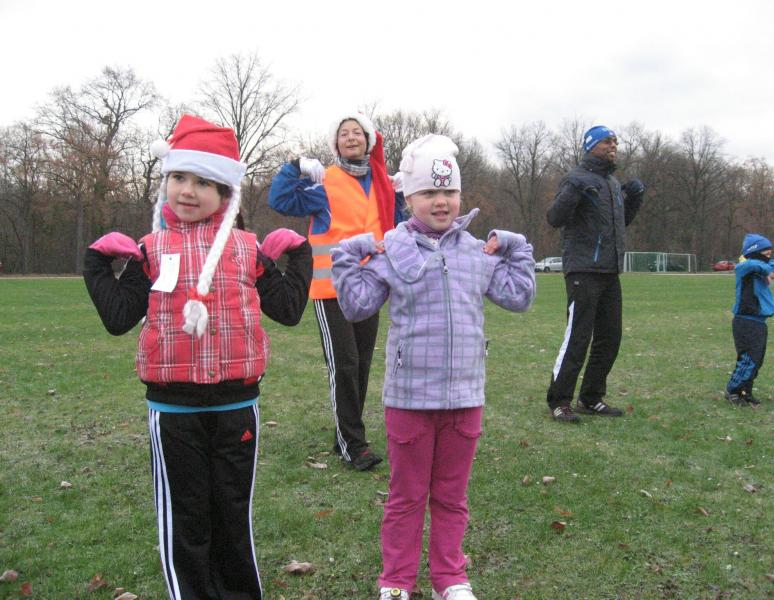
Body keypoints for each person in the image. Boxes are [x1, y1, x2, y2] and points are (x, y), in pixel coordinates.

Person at [83, 114, 312, 600]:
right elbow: (119, 317)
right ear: (165, 182)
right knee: (186, 517)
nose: (188, 190)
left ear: (225, 193)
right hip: (175, 412)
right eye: (179, 178)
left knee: (231, 515)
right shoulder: (150, 250)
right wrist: (97, 264)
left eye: (203, 182)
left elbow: (289, 310)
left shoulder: (246, 249)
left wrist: (299, 256)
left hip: (236, 409)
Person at [331, 134, 535, 600]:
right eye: (428, 192)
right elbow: (356, 305)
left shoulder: (476, 252)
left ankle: (451, 578)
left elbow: (520, 296)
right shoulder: (392, 249)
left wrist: (517, 246)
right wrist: (349, 254)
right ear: (408, 197)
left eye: (449, 192)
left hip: (465, 397)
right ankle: (396, 582)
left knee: (451, 496)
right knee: (406, 498)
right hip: (409, 399)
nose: (441, 202)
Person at [268, 111, 404, 471]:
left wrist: (404, 196)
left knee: (361, 364)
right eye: (344, 133)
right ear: (336, 144)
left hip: (371, 287)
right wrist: (295, 166)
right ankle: (353, 445)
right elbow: (279, 200)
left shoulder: (382, 185)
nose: (351, 137)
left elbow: (399, 227)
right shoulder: (325, 183)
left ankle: (346, 436)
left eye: (357, 132)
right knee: (344, 365)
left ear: (368, 141)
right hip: (332, 289)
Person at [544, 125, 645, 422]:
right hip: (583, 269)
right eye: (607, 141)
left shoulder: (611, 183)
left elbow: (619, 224)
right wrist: (573, 191)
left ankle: (591, 397)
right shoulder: (576, 178)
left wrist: (634, 199)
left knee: (610, 338)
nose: (613, 145)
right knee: (578, 337)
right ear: (591, 145)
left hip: (610, 271)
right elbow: (554, 218)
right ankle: (559, 400)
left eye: (615, 141)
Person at [725, 233, 774, 405]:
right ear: (755, 252)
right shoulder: (745, 268)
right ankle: (733, 391)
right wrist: (767, 269)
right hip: (746, 321)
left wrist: (771, 269)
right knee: (748, 359)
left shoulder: (762, 267)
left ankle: (745, 391)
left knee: (757, 360)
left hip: (759, 322)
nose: (769, 257)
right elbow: (753, 265)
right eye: (766, 253)